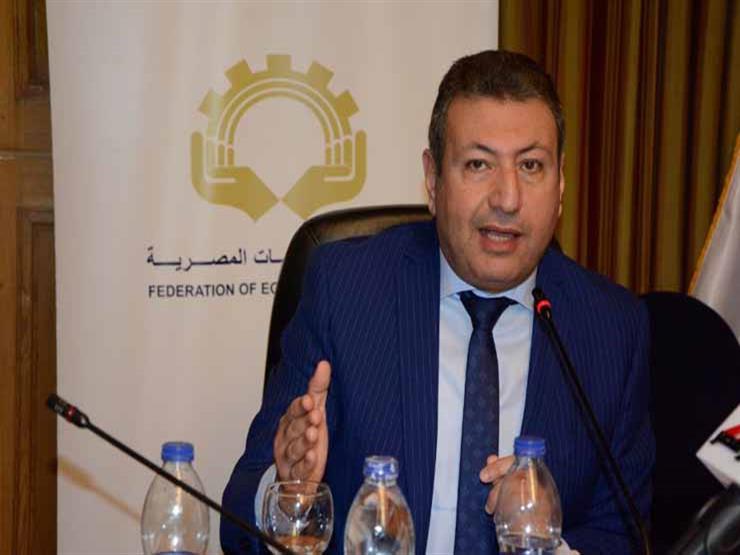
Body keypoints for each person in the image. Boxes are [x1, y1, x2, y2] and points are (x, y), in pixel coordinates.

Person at [221, 50, 654, 555]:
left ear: (560, 185)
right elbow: (238, 516)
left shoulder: (611, 328)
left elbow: (625, 536)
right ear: (433, 180)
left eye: (531, 165)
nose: (507, 199)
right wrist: (288, 489)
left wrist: (544, 541)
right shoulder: (346, 290)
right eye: (479, 164)